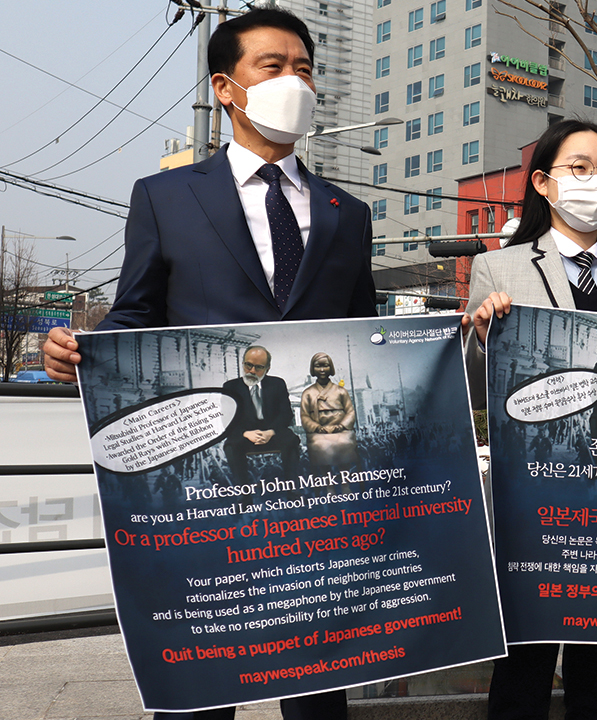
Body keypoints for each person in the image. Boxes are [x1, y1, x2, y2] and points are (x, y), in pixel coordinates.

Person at [41, 8, 373, 717]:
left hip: (314, 483)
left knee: (317, 677)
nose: (296, 81)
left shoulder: (349, 211)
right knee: (202, 675)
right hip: (203, 479)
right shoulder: (165, 197)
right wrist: (78, 351)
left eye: (306, 68)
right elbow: (135, 314)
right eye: (274, 66)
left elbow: (364, 337)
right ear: (226, 88)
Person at [466, 119, 597, 720]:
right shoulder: (500, 268)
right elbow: (474, 384)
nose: (596, 184)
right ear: (544, 184)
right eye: (580, 169)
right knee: (525, 653)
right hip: (536, 487)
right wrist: (480, 335)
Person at [222, 345, 301, 484]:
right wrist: (245, 433)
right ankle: (244, 493)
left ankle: (293, 487)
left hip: (273, 432)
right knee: (230, 446)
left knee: (292, 440)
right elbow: (227, 419)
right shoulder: (230, 387)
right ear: (243, 363)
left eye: (258, 367)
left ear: (267, 369)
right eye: (248, 365)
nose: (252, 371)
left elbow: (286, 414)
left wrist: (270, 432)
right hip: (245, 435)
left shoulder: (277, 384)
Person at [299, 352, 359, 476]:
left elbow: (350, 412)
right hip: (319, 432)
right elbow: (304, 416)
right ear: (312, 369)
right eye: (317, 366)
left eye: (325, 366)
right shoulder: (308, 393)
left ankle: (345, 480)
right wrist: (317, 428)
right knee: (318, 445)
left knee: (345, 442)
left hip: (340, 430)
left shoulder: (341, 391)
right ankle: (328, 483)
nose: (321, 369)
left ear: (330, 367)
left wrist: (341, 426)